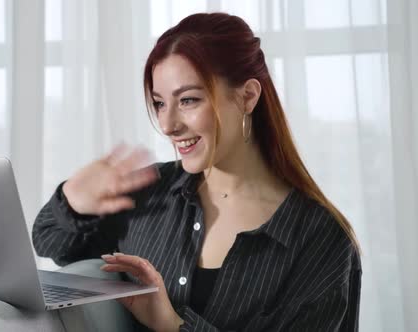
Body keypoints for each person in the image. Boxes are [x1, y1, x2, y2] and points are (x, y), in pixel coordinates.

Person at [32, 12, 361, 332]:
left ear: (247, 97)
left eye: (187, 100)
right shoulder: (150, 195)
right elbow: (51, 244)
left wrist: (174, 325)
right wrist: (74, 200)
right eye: (160, 103)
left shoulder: (321, 241)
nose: (167, 125)